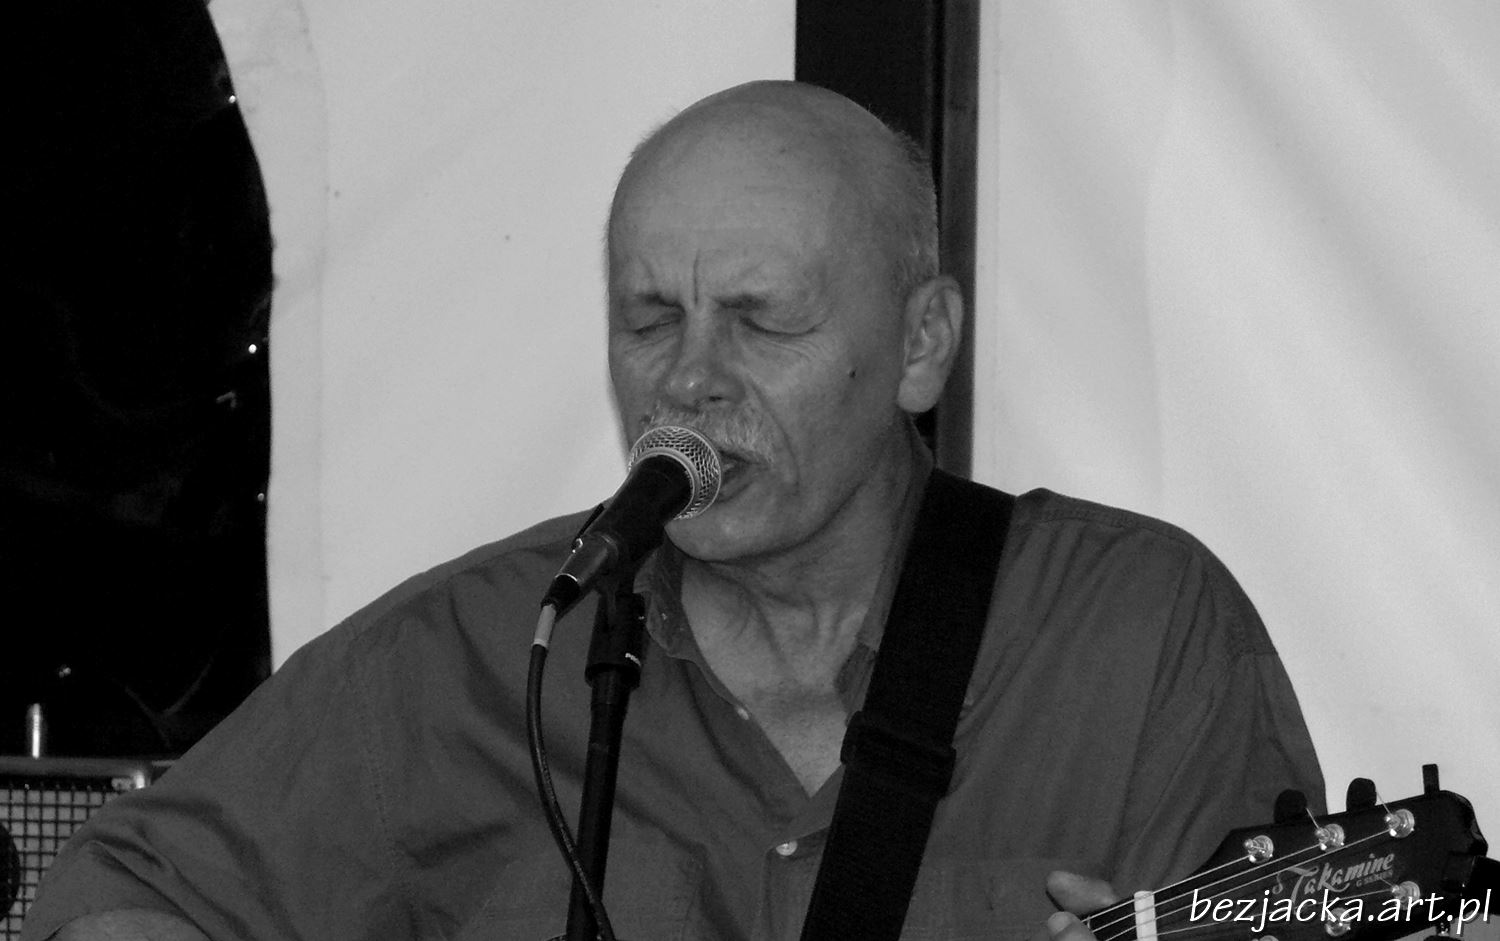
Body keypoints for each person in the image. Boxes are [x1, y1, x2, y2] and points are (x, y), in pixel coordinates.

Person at [23, 80, 1323, 941]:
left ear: (922, 344)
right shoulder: (480, 648)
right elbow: (119, 899)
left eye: (762, 320)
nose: (690, 379)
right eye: (651, 321)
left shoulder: (1135, 634)